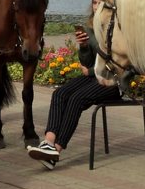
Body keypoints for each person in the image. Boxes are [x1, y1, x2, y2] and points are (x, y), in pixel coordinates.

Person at [26, 20, 122, 169]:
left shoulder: (119, 29)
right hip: (93, 77)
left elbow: (119, 63)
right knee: (59, 93)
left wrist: (90, 71)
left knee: (76, 99)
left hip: (112, 81)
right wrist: (83, 47)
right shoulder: (92, 29)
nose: (97, 7)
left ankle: (55, 151)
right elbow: (87, 61)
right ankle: (48, 143)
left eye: (100, 3)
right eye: (95, 3)